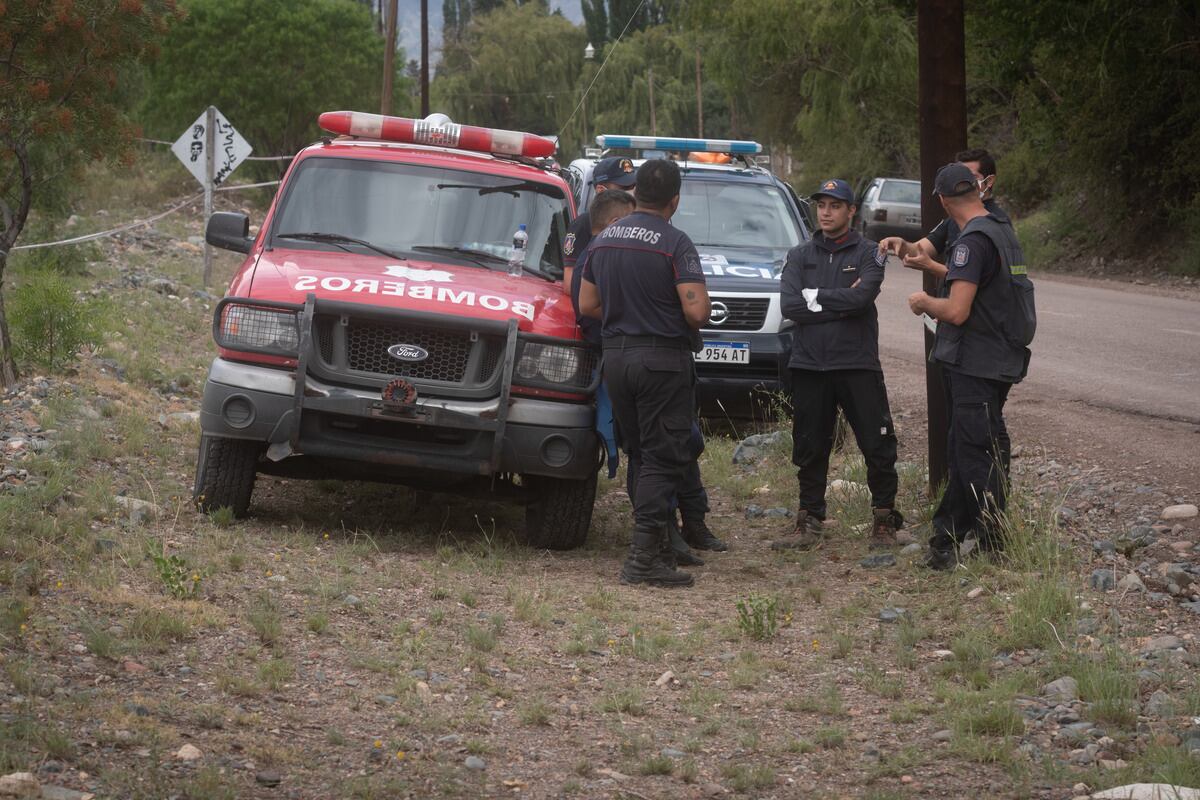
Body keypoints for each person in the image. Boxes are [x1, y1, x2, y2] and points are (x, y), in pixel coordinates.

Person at [578, 159, 711, 588]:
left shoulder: (603, 239)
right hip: (662, 361)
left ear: (636, 192)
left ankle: (652, 549)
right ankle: (642, 559)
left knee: (641, 452)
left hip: (616, 359)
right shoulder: (675, 242)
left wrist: (627, 313)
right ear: (675, 200)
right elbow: (697, 310)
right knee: (662, 456)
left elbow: (586, 305)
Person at [906, 162, 1035, 570]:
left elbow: (957, 310)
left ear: (944, 201)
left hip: (976, 362)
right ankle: (947, 536)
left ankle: (993, 540)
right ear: (977, 192)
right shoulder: (1002, 231)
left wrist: (925, 302)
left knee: (977, 452)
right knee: (968, 447)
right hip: (998, 360)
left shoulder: (971, 241)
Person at [772, 179, 903, 552]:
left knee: (877, 444)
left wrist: (815, 297)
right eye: (821, 205)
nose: (826, 212)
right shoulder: (799, 255)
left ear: (851, 212)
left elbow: (863, 298)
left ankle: (884, 518)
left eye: (834, 205)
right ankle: (809, 518)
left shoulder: (870, 252)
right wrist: (837, 302)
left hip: (857, 363)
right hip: (811, 365)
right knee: (810, 445)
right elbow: (790, 307)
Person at [878, 148, 1010, 278]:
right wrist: (901, 244)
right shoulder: (954, 219)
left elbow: (985, 280)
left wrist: (931, 267)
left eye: (971, 177)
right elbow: (919, 250)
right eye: (959, 177)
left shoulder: (997, 223)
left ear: (989, 181)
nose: (963, 184)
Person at [563, 156, 639, 290]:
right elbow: (570, 284)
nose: (631, 192)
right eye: (624, 187)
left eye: (633, 186)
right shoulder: (584, 224)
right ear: (601, 191)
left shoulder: (636, 223)